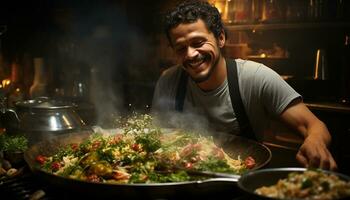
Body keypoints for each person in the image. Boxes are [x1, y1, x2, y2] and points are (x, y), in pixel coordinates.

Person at [151, 0, 337, 170]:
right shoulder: (169, 81)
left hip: (239, 183)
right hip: (183, 182)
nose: (191, 54)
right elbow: (158, 137)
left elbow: (314, 125)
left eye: (198, 42)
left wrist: (315, 142)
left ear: (220, 38)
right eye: (181, 48)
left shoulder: (255, 77)